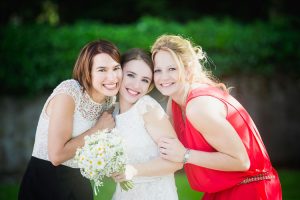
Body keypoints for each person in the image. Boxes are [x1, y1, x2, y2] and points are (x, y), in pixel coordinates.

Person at [151, 35, 282, 200]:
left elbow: (241, 161)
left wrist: (185, 155)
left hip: (249, 189)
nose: (163, 77)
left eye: (172, 69)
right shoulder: (175, 101)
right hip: (220, 190)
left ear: (188, 69)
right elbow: (163, 144)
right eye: (158, 70)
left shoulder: (198, 108)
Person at [18, 40, 123, 200]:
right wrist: (98, 129)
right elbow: (56, 156)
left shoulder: (109, 100)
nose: (112, 77)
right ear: (88, 72)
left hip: (79, 181)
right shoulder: (69, 92)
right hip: (45, 180)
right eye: (102, 69)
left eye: (116, 68)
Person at [111, 48, 181, 200]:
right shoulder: (112, 112)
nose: (137, 85)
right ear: (119, 73)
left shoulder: (147, 108)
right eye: (131, 75)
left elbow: (177, 162)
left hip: (156, 194)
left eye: (145, 80)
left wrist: (134, 170)